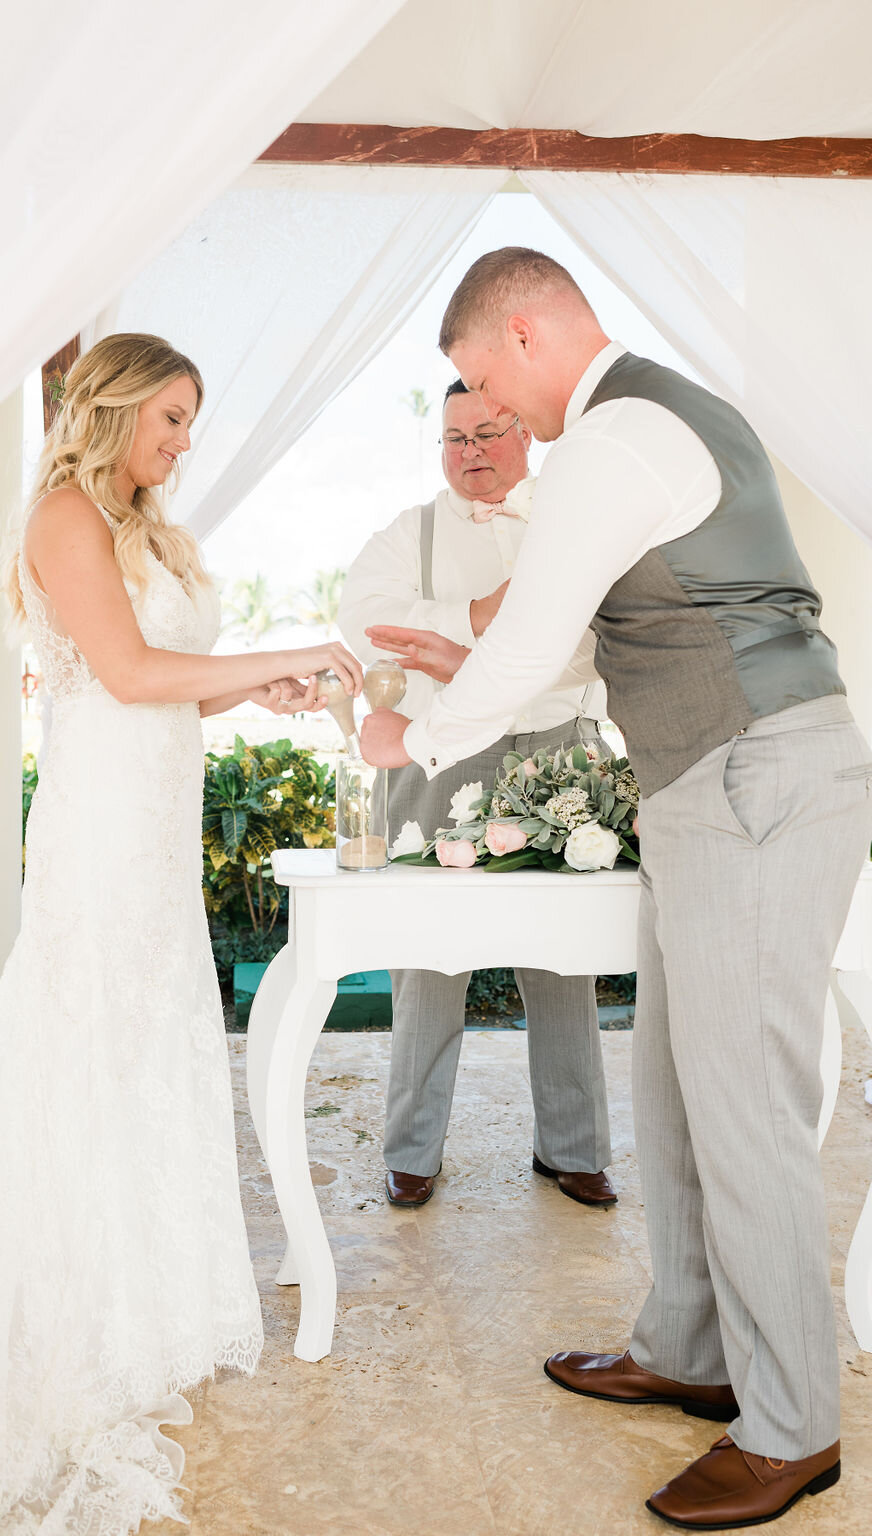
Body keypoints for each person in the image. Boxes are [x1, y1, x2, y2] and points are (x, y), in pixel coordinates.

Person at [359, 249, 872, 1531]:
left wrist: (411, 739)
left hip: (752, 776)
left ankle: (791, 1428)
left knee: (744, 1106)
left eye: (486, 380)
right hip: (708, 785)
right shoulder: (649, 424)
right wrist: (460, 651)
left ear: (526, 334)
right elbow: (588, 643)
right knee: (677, 1087)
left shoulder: (615, 432)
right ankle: (690, 1349)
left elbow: (539, 635)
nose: (496, 417)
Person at [0, 333, 363, 1536]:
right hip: (102, 824)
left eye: (190, 420)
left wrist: (253, 688)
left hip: (155, 819)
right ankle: (73, 1299)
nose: (184, 442)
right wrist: (300, 646)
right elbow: (124, 668)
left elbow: (173, 676)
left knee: (150, 1043)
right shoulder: (62, 515)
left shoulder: (147, 528)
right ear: (107, 410)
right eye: (170, 417)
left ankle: (142, 1291)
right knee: (86, 1039)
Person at [338, 378, 615, 1210]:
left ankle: (574, 1149)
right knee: (426, 957)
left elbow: (596, 640)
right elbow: (370, 625)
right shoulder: (406, 534)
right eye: (456, 438)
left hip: (559, 755)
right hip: (438, 757)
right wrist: (486, 614)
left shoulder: (568, 525)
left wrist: (460, 632)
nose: (473, 454)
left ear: (525, 435)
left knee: (564, 962)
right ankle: (412, 1152)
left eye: (489, 433)